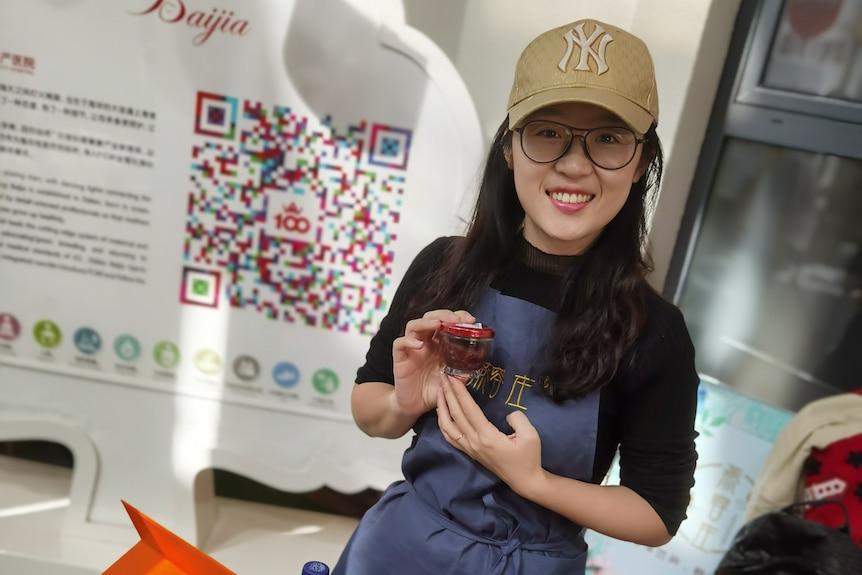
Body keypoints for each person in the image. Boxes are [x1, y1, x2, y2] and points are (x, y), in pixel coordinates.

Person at [332, 18, 700, 575]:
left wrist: (533, 480)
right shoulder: (442, 266)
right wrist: (403, 403)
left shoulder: (655, 331)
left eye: (608, 138)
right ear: (510, 148)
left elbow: (656, 512)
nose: (575, 164)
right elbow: (371, 406)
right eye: (547, 131)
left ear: (642, 161)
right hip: (396, 548)